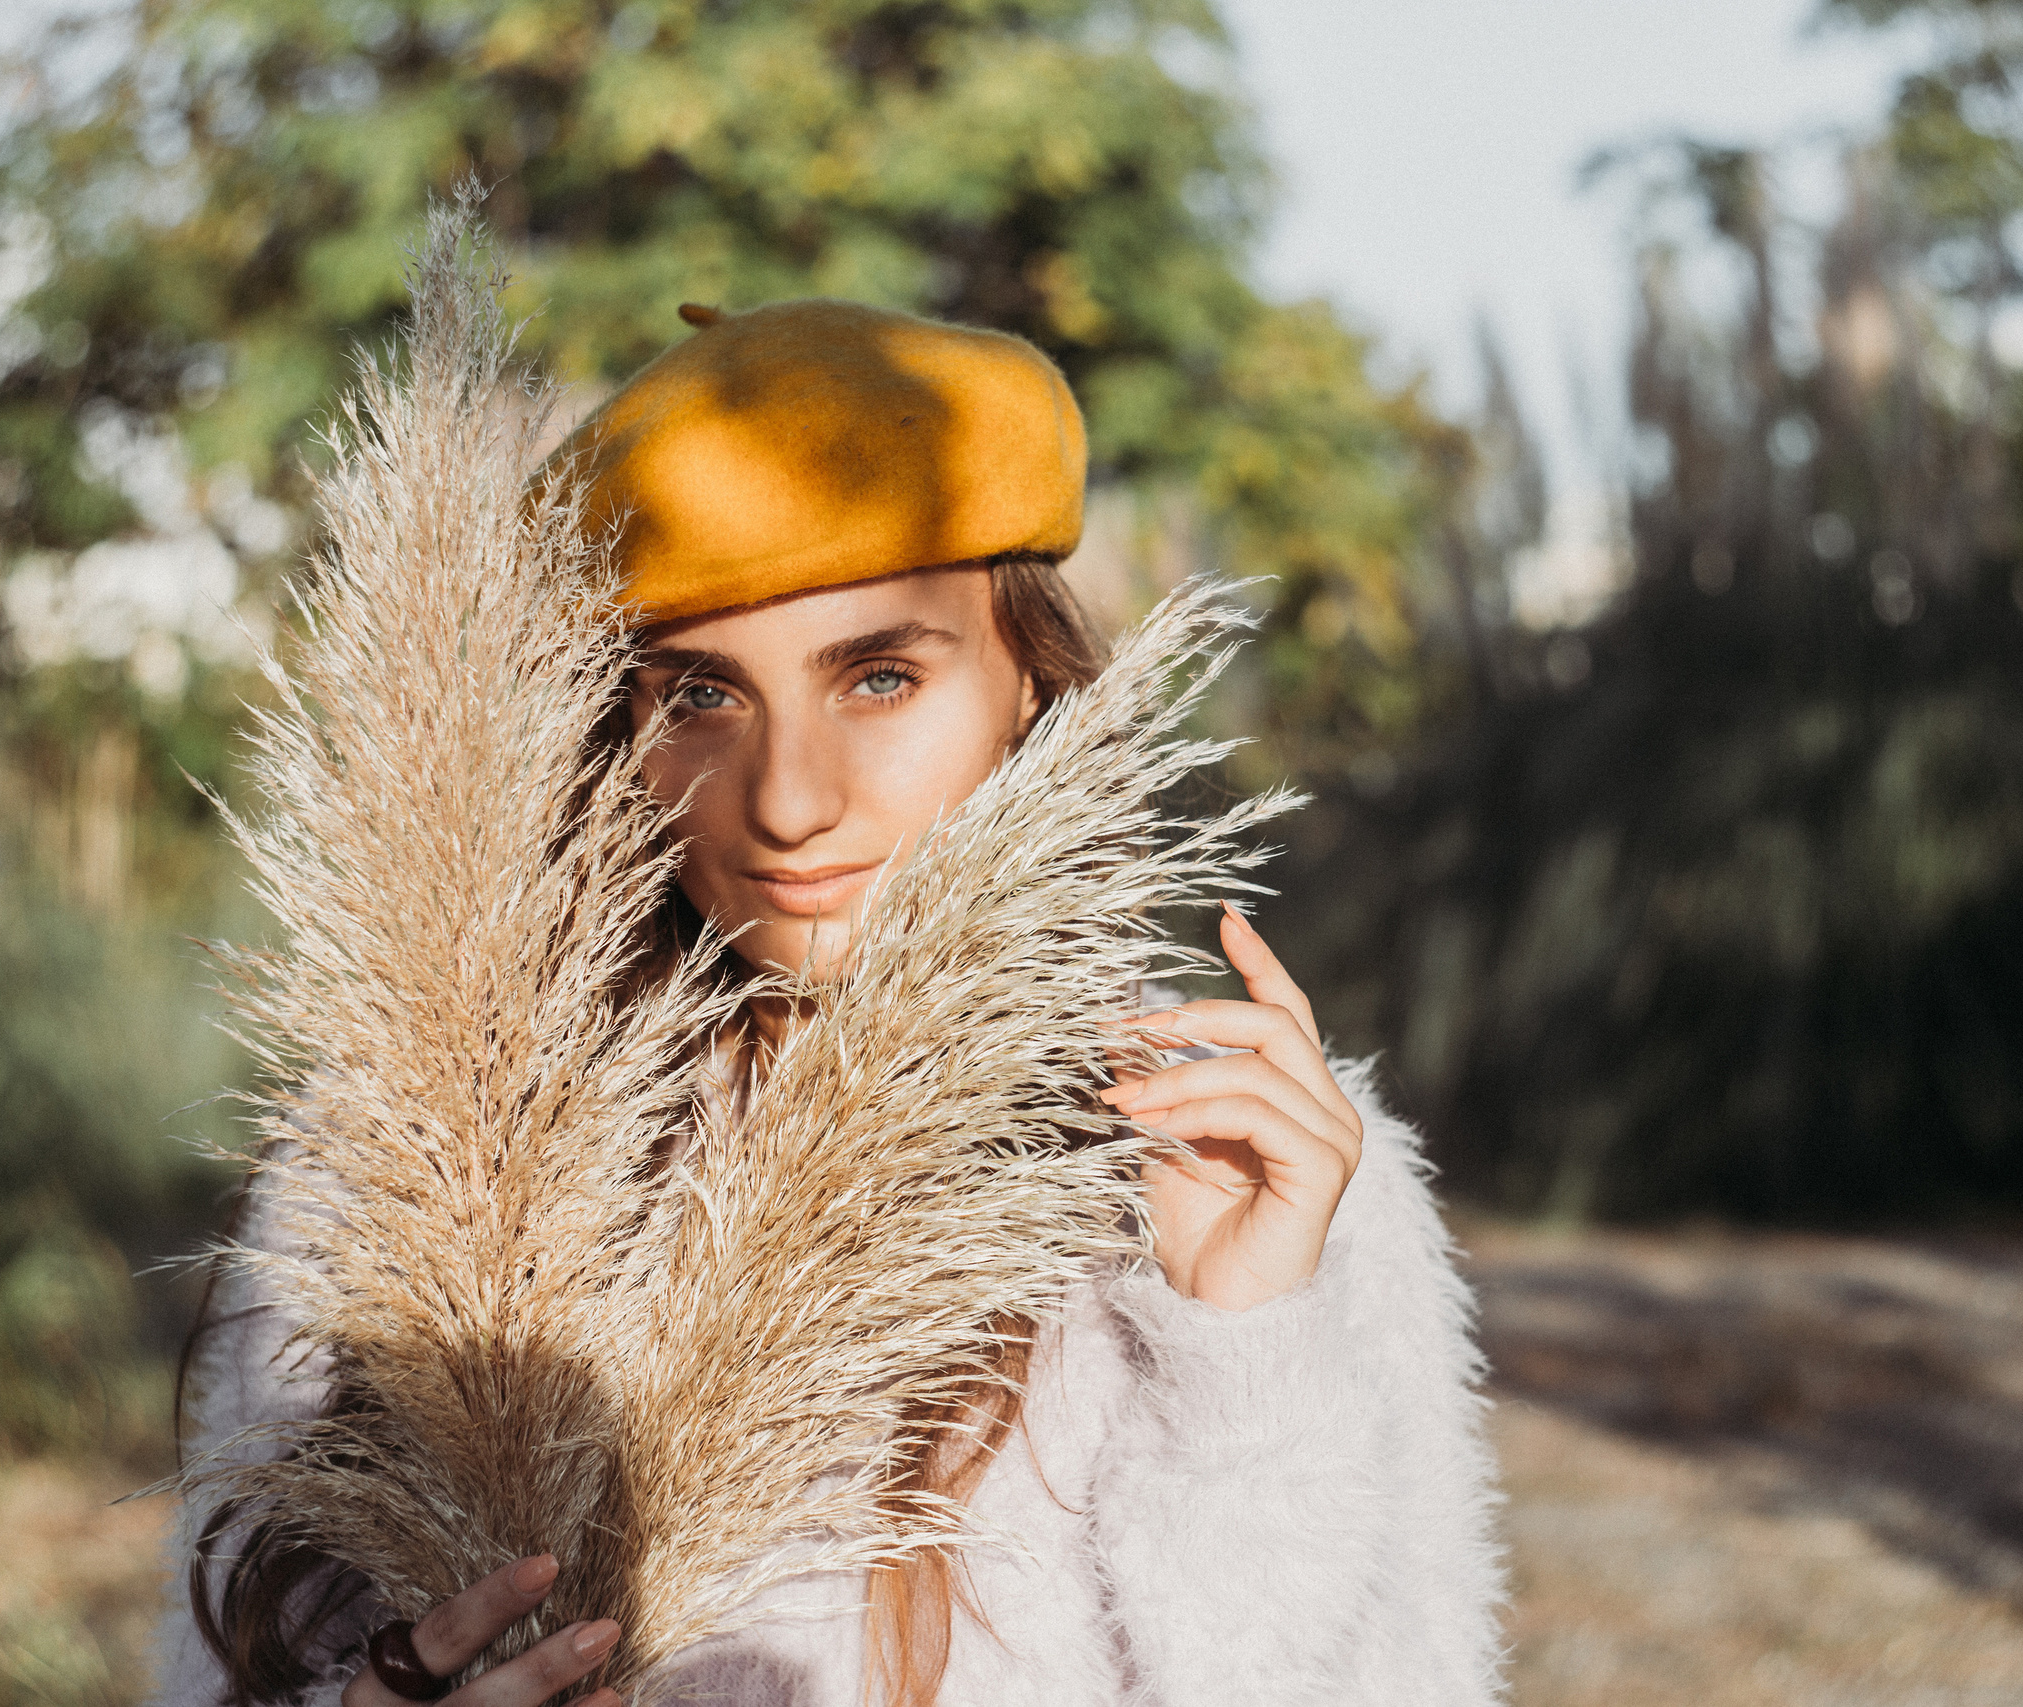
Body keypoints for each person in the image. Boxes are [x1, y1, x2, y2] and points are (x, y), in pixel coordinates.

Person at [153, 298, 1503, 1707]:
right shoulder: (408, 1145)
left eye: (879, 676)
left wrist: (1244, 1354)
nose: (791, 803)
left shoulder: (1248, 1169)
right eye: (700, 698)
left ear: (1030, 686)